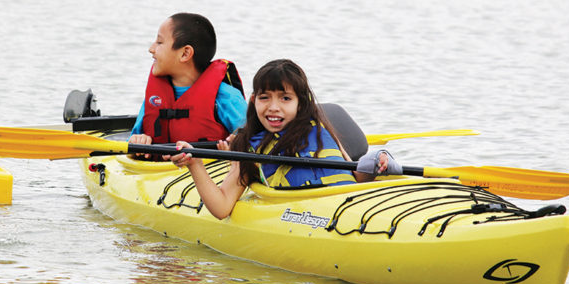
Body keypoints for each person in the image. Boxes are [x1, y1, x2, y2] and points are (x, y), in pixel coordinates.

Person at [171, 59, 402, 219]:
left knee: (374, 158)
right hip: (309, 215)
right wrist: (196, 164)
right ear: (253, 101)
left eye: (285, 99)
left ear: (301, 102)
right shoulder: (249, 148)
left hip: (351, 202)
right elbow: (222, 207)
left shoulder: (320, 127)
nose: (274, 108)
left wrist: (375, 163)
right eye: (265, 98)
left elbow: (352, 176)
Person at [128, 13, 247, 149]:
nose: (151, 49)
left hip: (207, 167)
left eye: (160, 43)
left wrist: (235, 146)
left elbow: (252, 143)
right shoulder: (154, 99)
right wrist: (139, 140)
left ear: (185, 54)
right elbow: (133, 143)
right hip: (159, 168)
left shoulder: (227, 97)